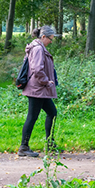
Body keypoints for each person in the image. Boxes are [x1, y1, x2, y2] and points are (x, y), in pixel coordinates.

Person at [18, 25, 60, 157]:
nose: (51, 42)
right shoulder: (38, 49)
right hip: (37, 89)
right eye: (50, 39)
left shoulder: (39, 47)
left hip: (40, 89)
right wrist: (46, 81)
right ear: (43, 37)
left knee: (52, 113)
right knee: (32, 117)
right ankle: (24, 147)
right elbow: (37, 69)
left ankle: (50, 144)